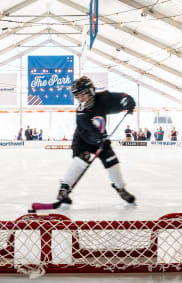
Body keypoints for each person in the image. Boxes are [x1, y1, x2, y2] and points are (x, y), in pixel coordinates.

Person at [55, 76, 136, 206]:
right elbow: (87, 130)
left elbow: (119, 98)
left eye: (83, 94)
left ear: (91, 91)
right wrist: (99, 139)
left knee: (112, 162)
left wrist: (127, 101)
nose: (81, 99)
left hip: (102, 139)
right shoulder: (81, 112)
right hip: (83, 141)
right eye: (78, 96)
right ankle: (64, 188)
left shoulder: (103, 98)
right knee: (82, 159)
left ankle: (120, 188)